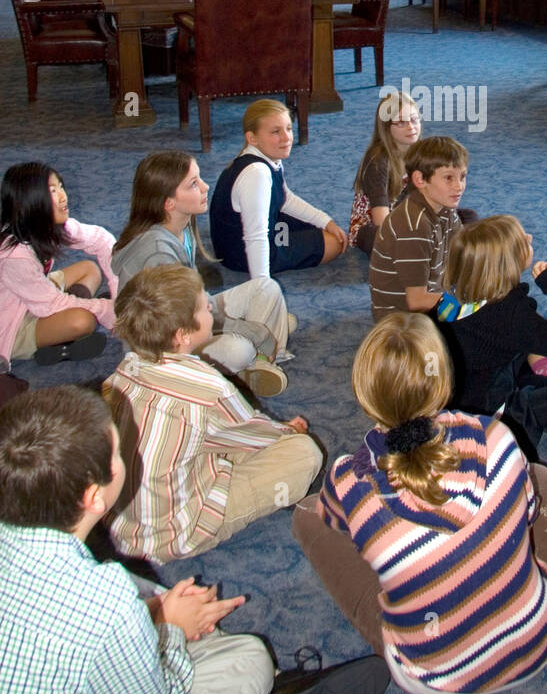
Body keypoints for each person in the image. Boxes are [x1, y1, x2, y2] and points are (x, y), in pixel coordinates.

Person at [0, 386, 389, 694]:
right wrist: (169, 629)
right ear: (94, 496)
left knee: (145, 594)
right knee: (249, 658)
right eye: (120, 451)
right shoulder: (104, 600)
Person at [293, 313, 547, 694]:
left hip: (434, 680)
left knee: (308, 516)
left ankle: (411, 581)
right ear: (443, 380)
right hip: (539, 640)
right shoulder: (496, 435)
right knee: (543, 479)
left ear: (364, 394)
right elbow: (528, 512)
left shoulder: (348, 479)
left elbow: (334, 522)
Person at [103, 265, 322, 562]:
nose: (211, 310)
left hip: (118, 522)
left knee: (218, 437)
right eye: (205, 308)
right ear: (182, 335)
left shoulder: (123, 371)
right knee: (305, 452)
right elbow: (255, 433)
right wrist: (288, 431)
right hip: (173, 533)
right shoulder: (206, 386)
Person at [113, 151, 293, 398]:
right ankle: (259, 357)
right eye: (194, 184)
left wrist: (247, 328)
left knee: (266, 288)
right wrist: (252, 331)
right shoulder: (158, 255)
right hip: (166, 349)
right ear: (169, 203)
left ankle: (258, 360)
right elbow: (183, 322)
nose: (206, 186)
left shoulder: (180, 227)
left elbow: (197, 300)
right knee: (241, 348)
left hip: (189, 314)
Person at [436, 215, 547, 455]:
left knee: (526, 348)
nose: (530, 237)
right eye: (523, 240)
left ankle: (545, 390)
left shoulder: (449, 301)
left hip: (458, 404)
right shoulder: (509, 313)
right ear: (509, 262)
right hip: (496, 419)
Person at [210, 100, 347, 278]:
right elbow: (255, 236)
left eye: (288, 128)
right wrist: (262, 284)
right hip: (240, 253)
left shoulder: (266, 156)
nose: (286, 137)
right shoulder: (257, 174)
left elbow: (284, 198)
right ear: (252, 138)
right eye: (276, 132)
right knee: (333, 243)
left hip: (254, 232)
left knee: (322, 229)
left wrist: (325, 220)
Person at [0, 162, 116, 368]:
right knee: (83, 321)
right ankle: (57, 342)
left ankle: (59, 327)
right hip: (10, 323)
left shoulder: (44, 225)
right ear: (31, 201)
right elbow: (49, 304)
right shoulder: (14, 255)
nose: (63, 196)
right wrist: (104, 309)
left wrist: (117, 294)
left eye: (61, 186)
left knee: (89, 269)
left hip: (31, 295)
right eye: (52, 191)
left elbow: (102, 240)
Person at [349, 92, 477, 256]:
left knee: (469, 217)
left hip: (412, 217)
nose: (411, 127)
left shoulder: (422, 153)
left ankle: (444, 250)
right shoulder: (378, 161)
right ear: (386, 127)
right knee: (384, 239)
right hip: (374, 227)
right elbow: (381, 221)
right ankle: (443, 251)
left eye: (415, 119)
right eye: (401, 123)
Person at [368, 135, 467, 320]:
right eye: (448, 178)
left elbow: (463, 254)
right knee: (484, 332)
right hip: (403, 321)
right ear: (420, 180)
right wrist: (463, 308)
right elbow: (417, 301)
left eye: (462, 176)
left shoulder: (445, 208)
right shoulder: (415, 227)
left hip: (432, 299)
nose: (459, 186)